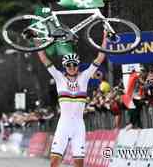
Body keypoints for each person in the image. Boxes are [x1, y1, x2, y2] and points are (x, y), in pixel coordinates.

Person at [36, 35, 107, 167]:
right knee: (54, 163)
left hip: (79, 126)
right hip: (63, 125)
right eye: (68, 65)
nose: (72, 67)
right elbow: (44, 59)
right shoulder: (59, 78)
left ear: (78, 66)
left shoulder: (84, 77)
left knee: (79, 164)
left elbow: (100, 57)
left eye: (74, 65)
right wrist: (36, 41)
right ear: (65, 67)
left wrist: (105, 37)